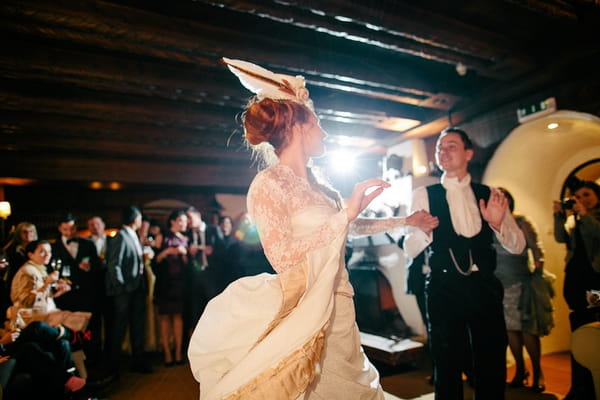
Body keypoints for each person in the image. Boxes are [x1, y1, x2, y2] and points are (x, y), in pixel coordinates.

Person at [188, 57, 438, 399]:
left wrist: (405, 221)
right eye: (318, 123)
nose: (324, 132)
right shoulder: (268, 184)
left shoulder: (322, 186)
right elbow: (282, 256)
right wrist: (343, 216)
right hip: (309, 306)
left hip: (341, 301)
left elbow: (351, 225)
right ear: (297, 127)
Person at [403, 127, 525, 400]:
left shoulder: (490, 193)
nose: (442, 152)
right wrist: (423, 231)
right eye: (439, 147)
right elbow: (408, 250)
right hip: (443, 287)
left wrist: (497, 224)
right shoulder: (424, 195)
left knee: (491, 357)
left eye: (451, 146)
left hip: (484, 287)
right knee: (446, 361)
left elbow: (518, 246)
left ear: (468, 153)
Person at [494, 188, 553, 393]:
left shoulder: (521, 222)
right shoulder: (489, 224)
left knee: (528, 330)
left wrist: (538, 264)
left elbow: (536, 249)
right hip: (499, 284)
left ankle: (538, 372)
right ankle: (520, 370)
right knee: (510, 330)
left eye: (504, 199)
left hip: (521, 282)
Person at [553, 179, 600, 400]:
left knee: (593, 327)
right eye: (578, 197)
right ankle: (580, 385)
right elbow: (561, 238)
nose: (582, 200)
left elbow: (597, 235)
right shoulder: (576, 220)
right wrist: (558, 216)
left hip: (594, 283)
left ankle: (593, 385)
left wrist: (583, 213)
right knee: (578, 327)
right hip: (575, 281)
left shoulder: (593, 218)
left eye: (587, 195)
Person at [105, 206, 152, 375]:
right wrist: (121, 287)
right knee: (120, 327)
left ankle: (138, 362)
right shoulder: (121, 236)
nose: (141, 221)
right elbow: (113, 265)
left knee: (137, 326)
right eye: (140, 218)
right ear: (134, 219)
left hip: (137, 288)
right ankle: (113, 367)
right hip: (125, 291)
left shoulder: (133, 236)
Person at [153, 210, 188, 366]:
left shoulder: (186, 239)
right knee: (165, 318)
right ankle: (167, 353)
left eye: (185, 220)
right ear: (173, 221)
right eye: (181, 220)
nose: (184, 223)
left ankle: (178, 352)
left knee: (178, 318)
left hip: (180, 283)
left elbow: (188, 265)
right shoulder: (162, 237)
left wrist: (184, 254)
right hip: (164, 284)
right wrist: (167, 251)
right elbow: (155, 261)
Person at [2, 222, 38, 286]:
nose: (28, 234)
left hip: (34, 280)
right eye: (24, 232)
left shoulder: (40, 248)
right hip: (16, 281)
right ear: (19, 234)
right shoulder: (12, 249)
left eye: (31, 231)